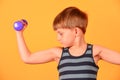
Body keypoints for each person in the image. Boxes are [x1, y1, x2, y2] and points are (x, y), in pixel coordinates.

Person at [15, 6, 120, 80]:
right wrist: (19, 33)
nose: (57, 38)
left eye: (60, 34)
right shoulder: (58, 54)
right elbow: (27, 58)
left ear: (76, 31)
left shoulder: (95, 52)